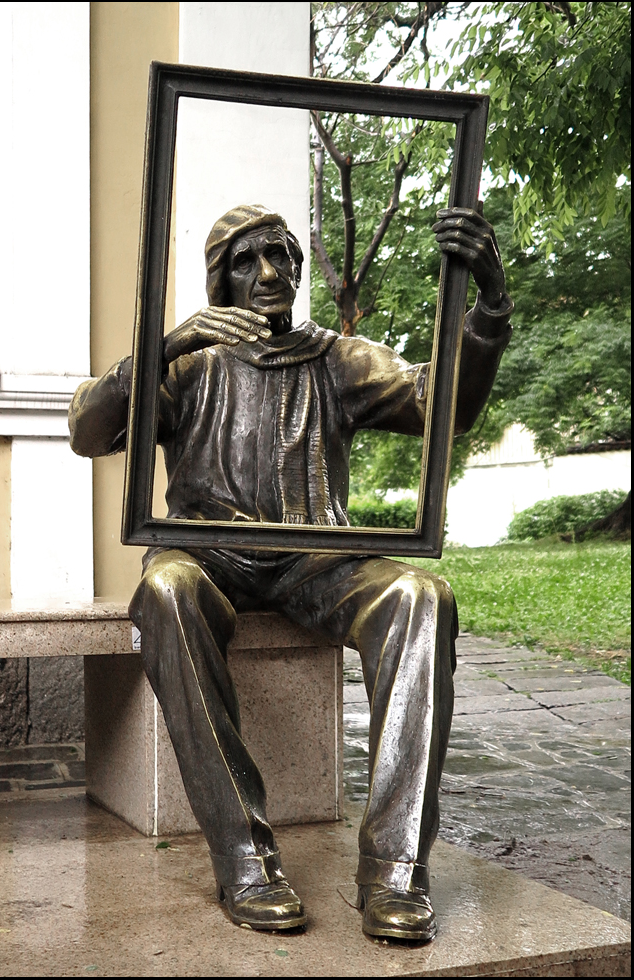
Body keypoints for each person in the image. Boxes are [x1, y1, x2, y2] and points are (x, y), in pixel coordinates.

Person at [69, 203, 512, 941]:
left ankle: (396, 871)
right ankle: (243, 855)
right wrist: (166, 344)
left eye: (280, 255)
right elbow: (88, 430)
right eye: (247, 260)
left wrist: (488, 311)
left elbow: (443, 407)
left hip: (316, 559)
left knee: (419, 595)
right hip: (208, 554)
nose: (269, 272)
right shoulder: (191, 360)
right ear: (222, 280)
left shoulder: (333, 357)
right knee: (166, 589)